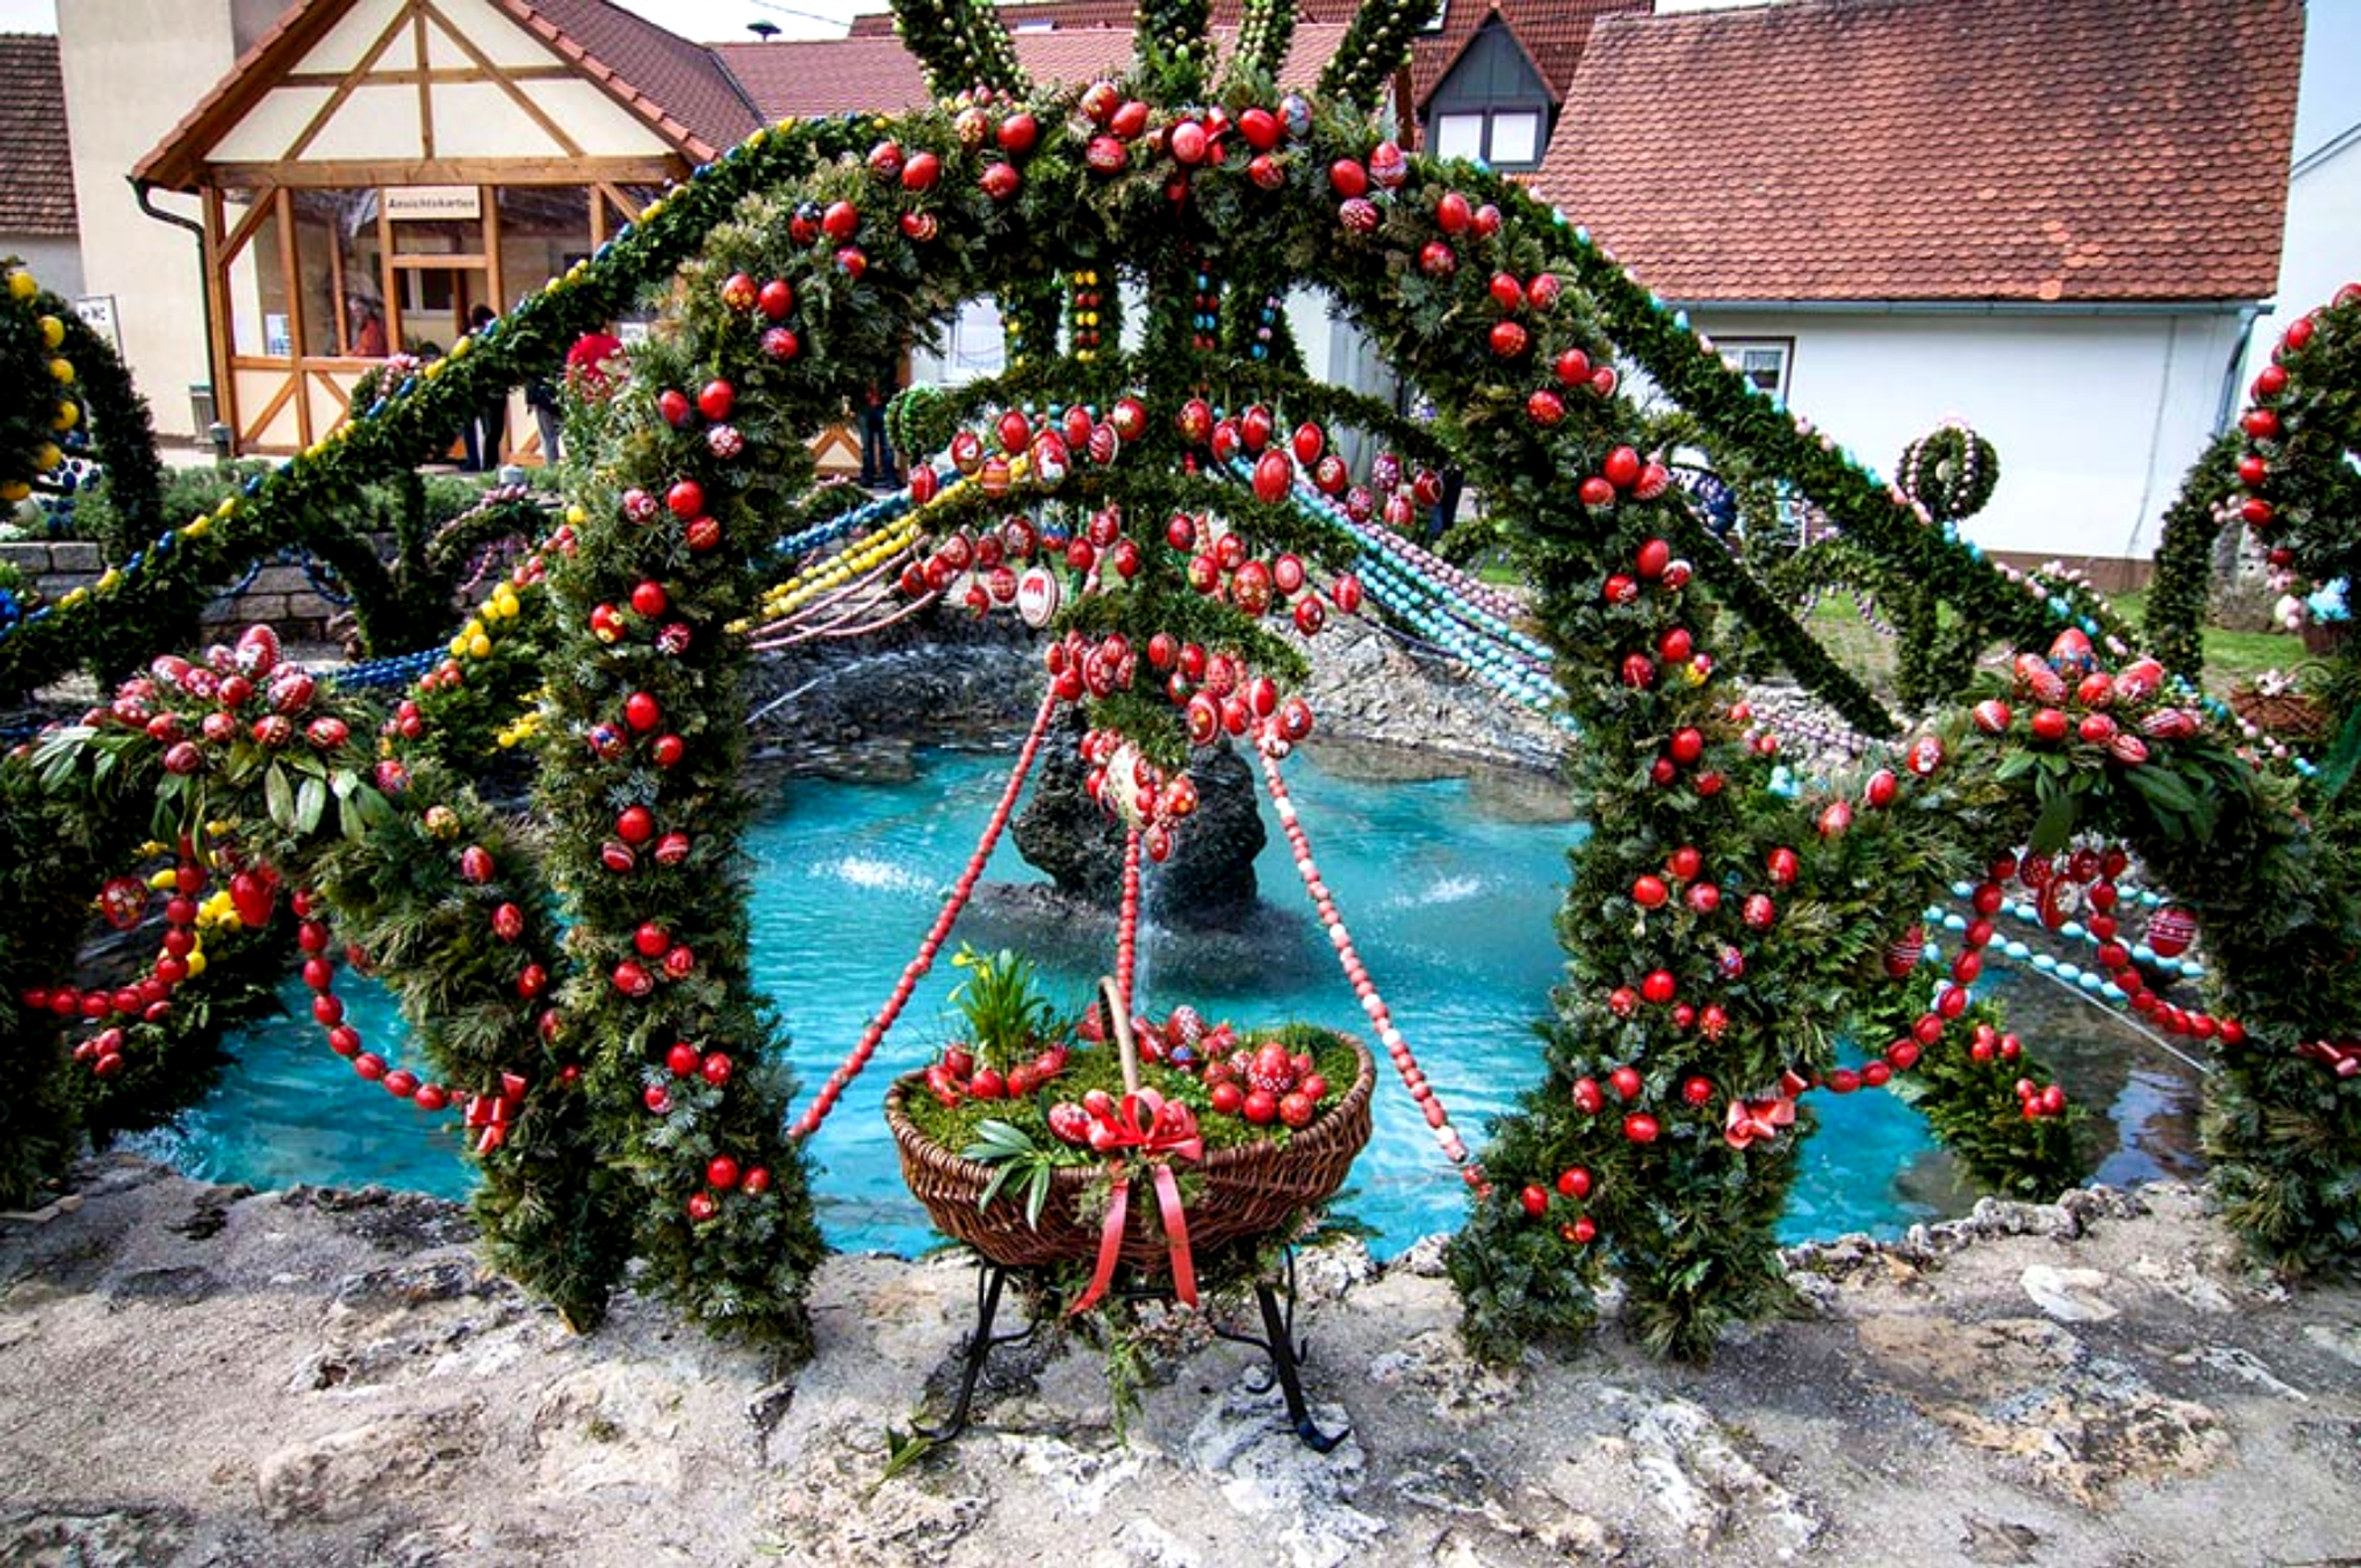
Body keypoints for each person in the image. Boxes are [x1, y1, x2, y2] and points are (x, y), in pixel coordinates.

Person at [461, 304, 506, 471]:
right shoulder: (485, 340)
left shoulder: (467, 340)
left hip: (478, 391)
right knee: (492, 431)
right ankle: (487, 464)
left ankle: (480, 462)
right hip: (489, 391)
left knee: (486, 430)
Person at [859, 374, 896, 489]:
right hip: (864, 407)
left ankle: (889, 478)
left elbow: (892, 381)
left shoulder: (886, 361)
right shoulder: (860, 362)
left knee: (888, 446)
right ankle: (867, 478)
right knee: (866, 446)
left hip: (884, 406)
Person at [348, 294, 387, 358]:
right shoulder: (363, 326)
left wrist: (353, 353)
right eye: (353, 311)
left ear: (366, 310)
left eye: (358, 310)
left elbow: (373, 351)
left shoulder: (373, 327)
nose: (355, 314)